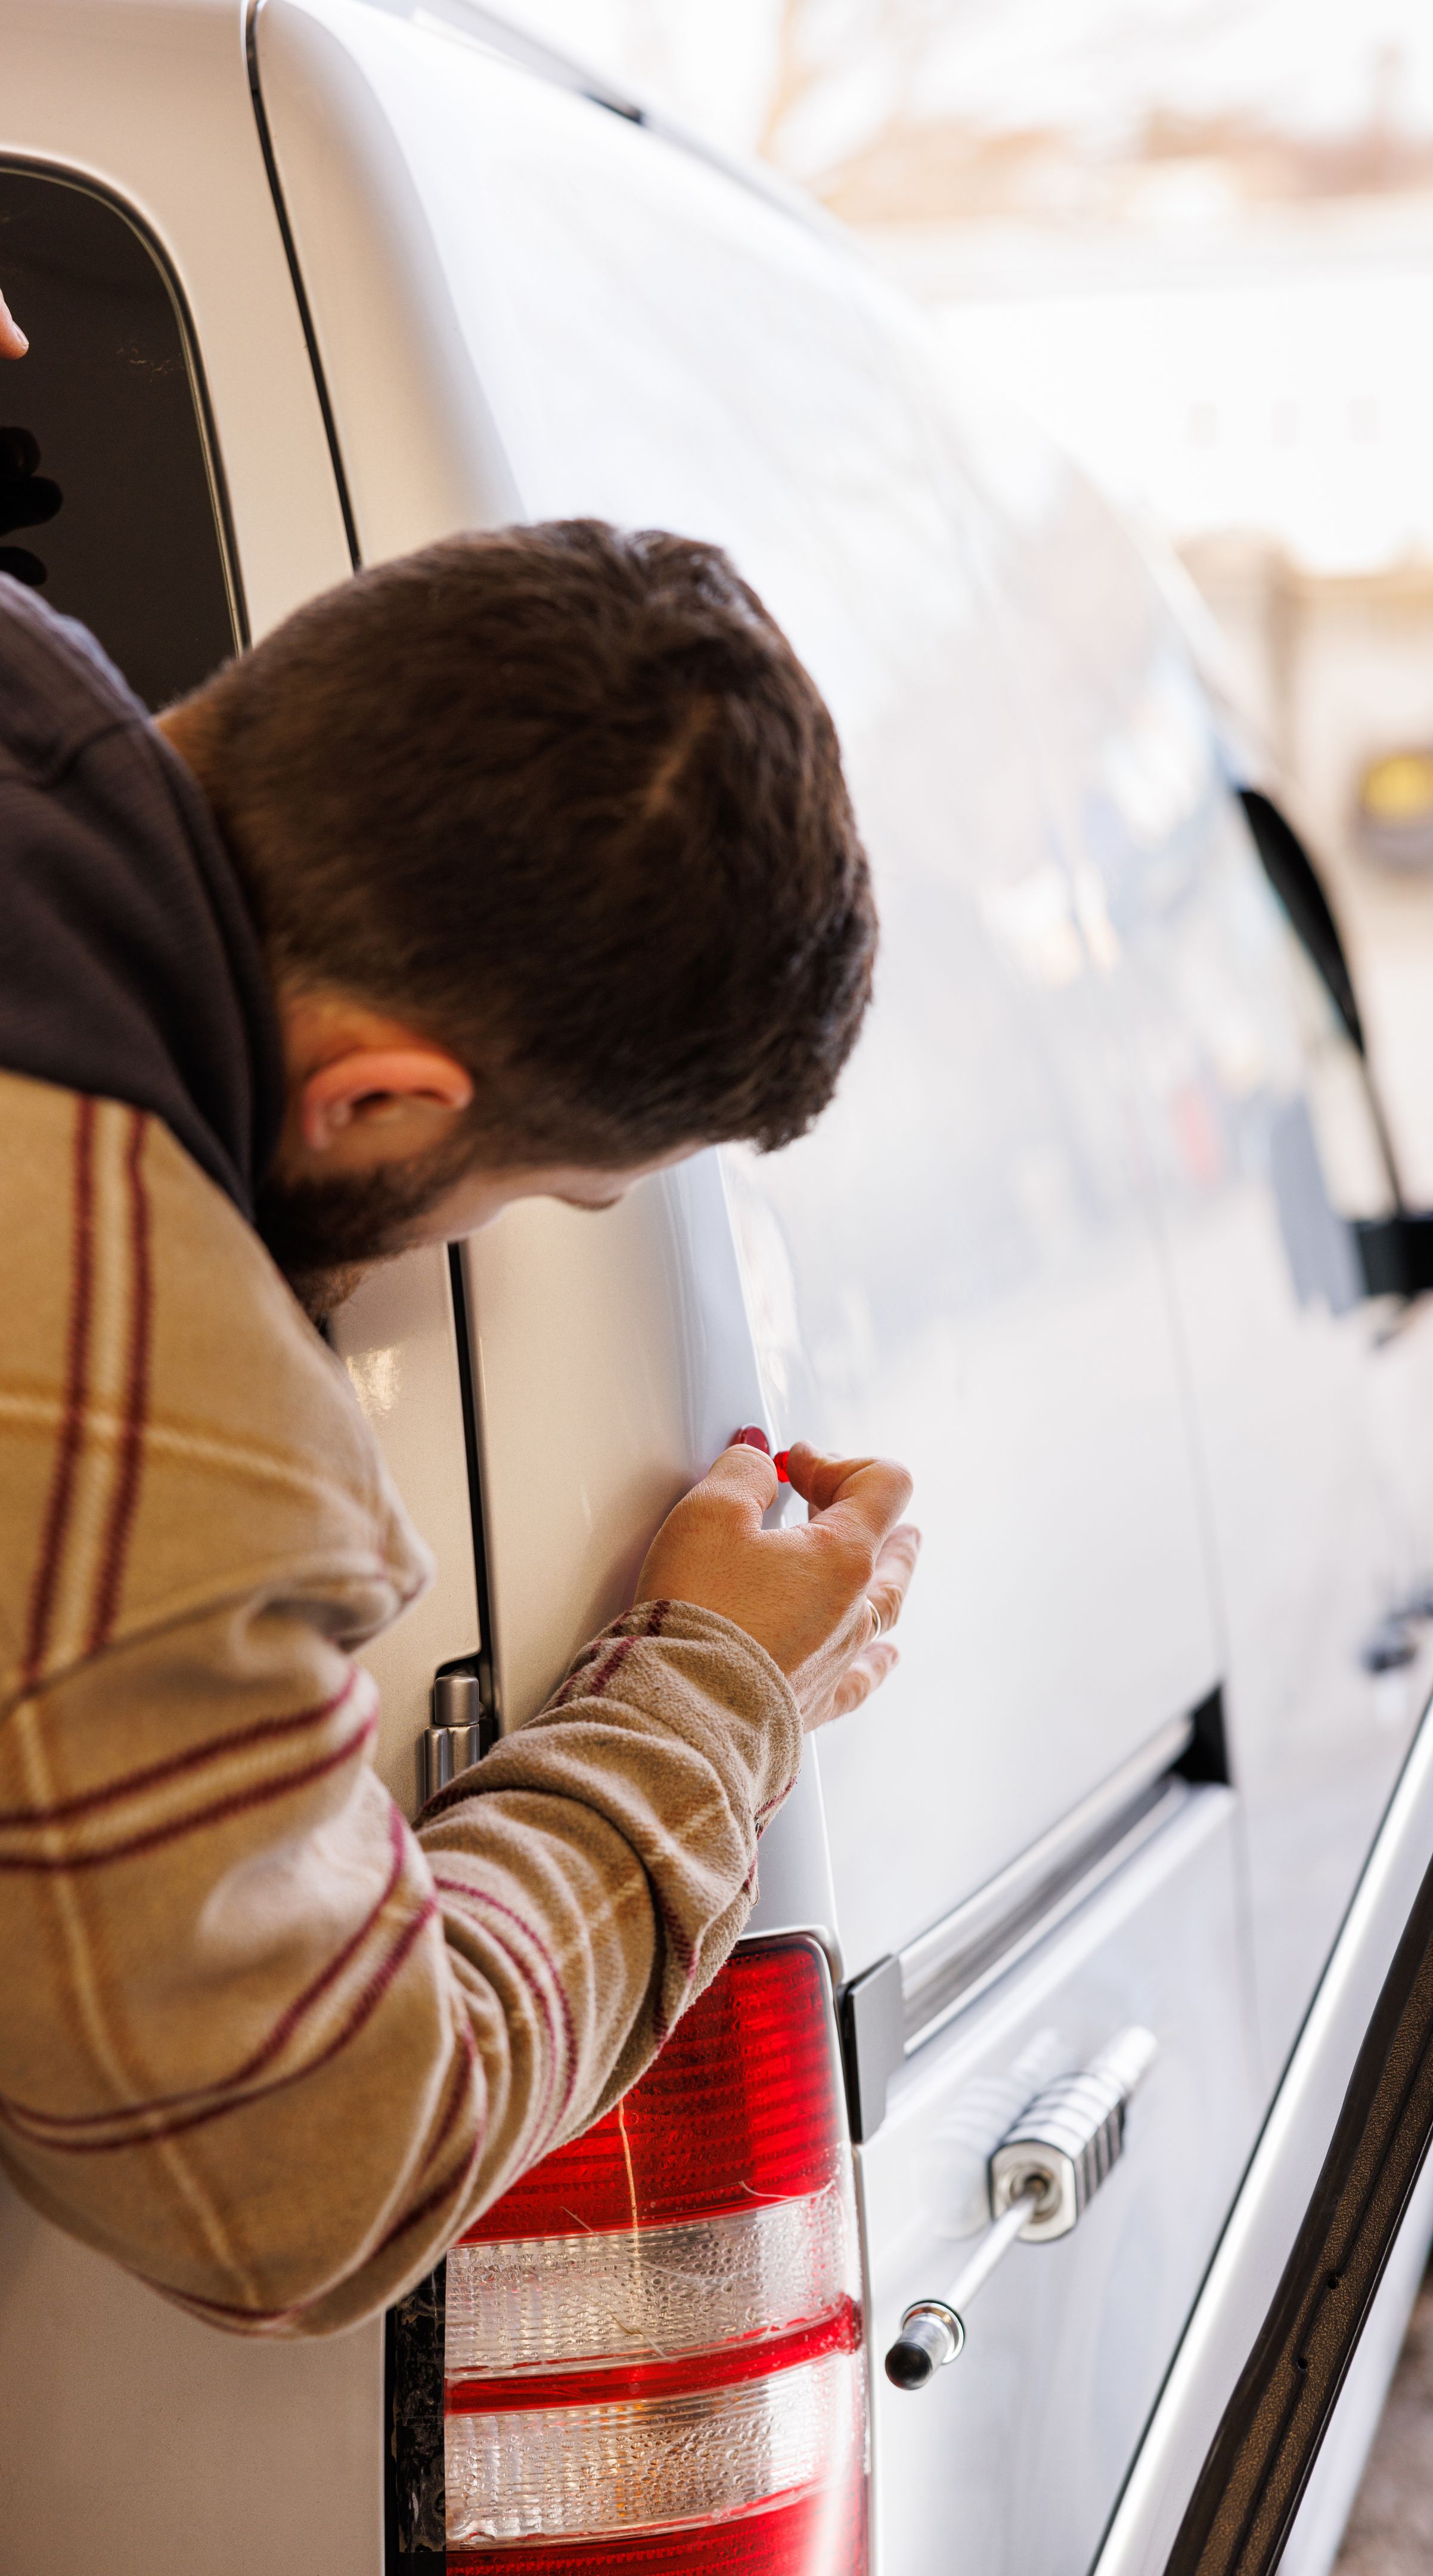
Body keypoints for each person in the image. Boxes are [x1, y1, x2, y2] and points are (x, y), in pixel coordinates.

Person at [0, 288, 917, 2336]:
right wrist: (711, 1691)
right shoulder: (151, 1404)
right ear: (383, 1103)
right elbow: (302, 2173)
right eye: (546, 1190)